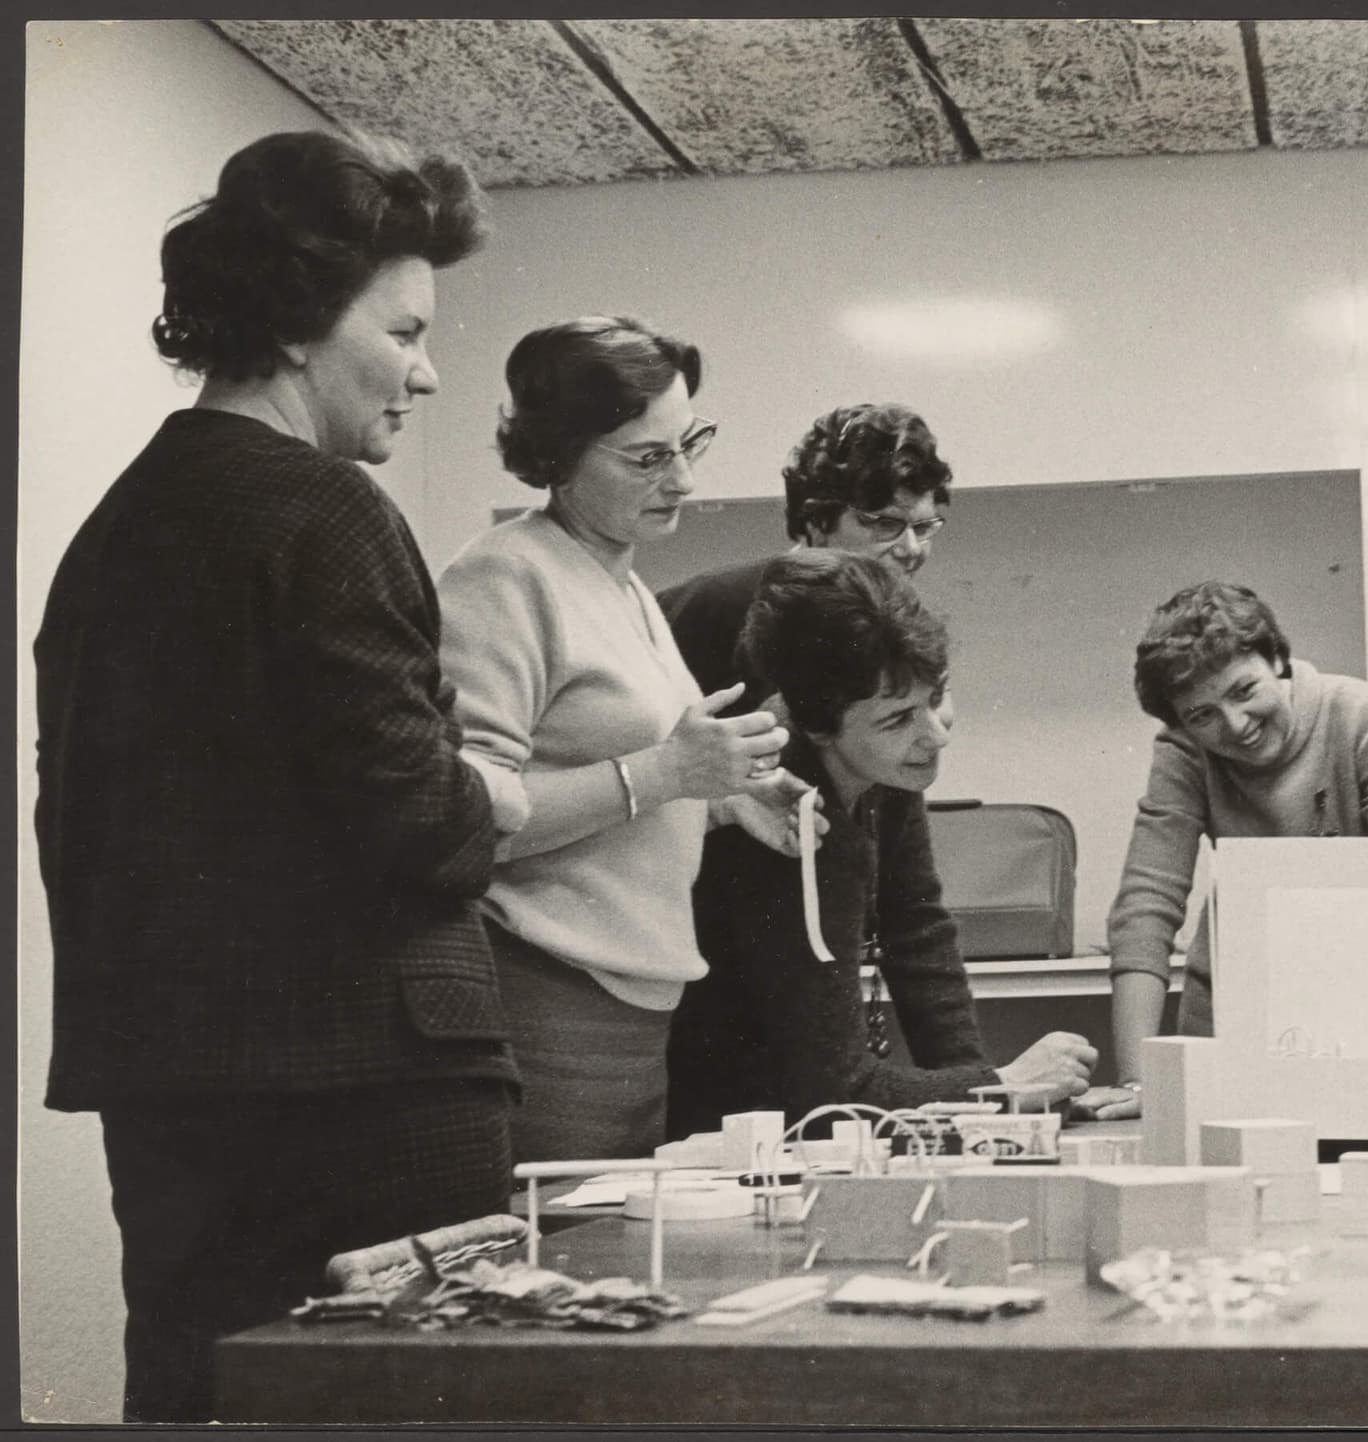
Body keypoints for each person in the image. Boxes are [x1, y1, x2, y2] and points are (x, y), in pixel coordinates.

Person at [34, 130, 518, 1423]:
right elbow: (424, 825)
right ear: (304, 322)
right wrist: (495, 797)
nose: (428, 368)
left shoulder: (111, 534)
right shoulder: (328, 511)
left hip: (171, 1093)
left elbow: (74, 828)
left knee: (199, 1400)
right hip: (374, 1101)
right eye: (406, 329)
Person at [437, 317, 806, 1162]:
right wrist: (669, 769)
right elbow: (468, 818)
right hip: (545, 996)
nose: (682, 479)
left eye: (688, 444)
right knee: (562, 1264)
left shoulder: (618, 578)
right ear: (559, 455)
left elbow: (617, 783)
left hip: (632, 1003)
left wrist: (723, 800)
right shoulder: (504, 576)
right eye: (648, 457)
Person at [666, 550, 1098, 1135]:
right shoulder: (781, 814)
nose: (935, 735)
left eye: (935, 697)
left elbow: (918, 932)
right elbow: (832, 1094)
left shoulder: (883, 772)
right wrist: (999, 1088)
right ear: (815, 726)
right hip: (737, 1139)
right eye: (897, 720)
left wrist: (993, 1106)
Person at [1084, 581, 1368, 1120]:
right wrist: (1140, 1082)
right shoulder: (1183, 750)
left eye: (1243, 690)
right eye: (1202, 715)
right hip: (1231, 1017)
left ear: (1277, 659)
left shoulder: (1360, 715)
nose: (1235, 725)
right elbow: (1146, 905)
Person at [658, 401, 952, 708]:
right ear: (817, 520)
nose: (912, 549)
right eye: (886, 524)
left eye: (922, 527)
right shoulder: (708, 607)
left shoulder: (905, 627)